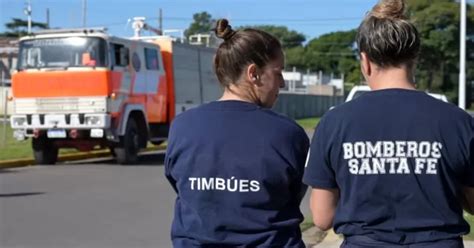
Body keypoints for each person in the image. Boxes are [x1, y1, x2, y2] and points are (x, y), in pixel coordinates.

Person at [303, 0, 474, 247]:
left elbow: (322, 217)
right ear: (415, 58)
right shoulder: (457, 121)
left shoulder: (334, 122)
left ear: (365, 61)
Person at [165, 19, 309, 247]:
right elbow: (293, 196)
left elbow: (181, 187)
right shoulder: (288, 134)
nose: (281, 83)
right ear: (254, 73)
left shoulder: (182, 126)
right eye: (278, 72)